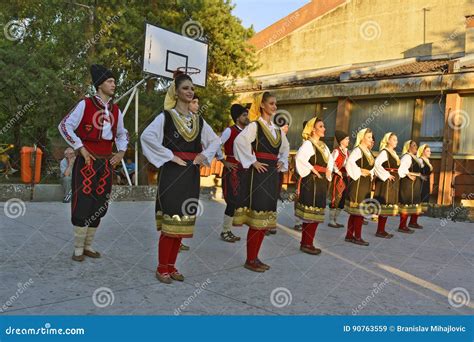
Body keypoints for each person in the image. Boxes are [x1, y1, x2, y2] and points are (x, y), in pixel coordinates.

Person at [140, 72, 220, 284]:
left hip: (191, 174)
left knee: (182, 222)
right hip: (172, 173)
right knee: (171, 221)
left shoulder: (199, 121)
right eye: (185, 88)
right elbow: (146, 137)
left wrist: (204, 155)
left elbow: (215, 141)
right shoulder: (165, 117)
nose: (190, 91)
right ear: (176, 92)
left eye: (192, 88)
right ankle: (161, 267)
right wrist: (169, 155)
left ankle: (172, 266)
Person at [58, 64, 129, 261]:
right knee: (83, 203)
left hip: (106, 164)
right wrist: (80, 147)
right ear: (99, 85)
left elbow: (123, 134)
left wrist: (121, 152)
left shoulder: (116, 110)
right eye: (110, 81)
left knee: (100, 204)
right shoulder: (85, 104)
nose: (114, 84)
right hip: (86, 162)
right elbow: (64, 126)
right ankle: (78, 249)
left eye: (114, 81)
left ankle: (88, 246)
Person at [233, 91, 290, 272]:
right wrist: (252, 161)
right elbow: (239, 142)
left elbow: (285, 149)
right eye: (271, 103)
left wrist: (282, 160)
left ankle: (255, 257)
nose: (274, 107)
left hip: (272, 175)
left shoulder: (278, 130)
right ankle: (250, 259)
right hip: (258, 176)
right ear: (262, 105)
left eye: (275, 103)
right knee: (257, 218)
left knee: (264, 220)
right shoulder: (255, 126)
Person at [294, 117, 333, 255]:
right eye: (321, 126)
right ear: (313, 129)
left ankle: (308, 243)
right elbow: (299, 158)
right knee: (310, 214)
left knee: (316, 214)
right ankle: (306, 243)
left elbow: (330, 160)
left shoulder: (323, 145)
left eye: (323, 126)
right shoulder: (308, 144)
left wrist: (328, 170)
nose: (324, 129)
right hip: (311, 181)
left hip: (321, 181)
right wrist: (313, 169)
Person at [217, 104, 250, 242]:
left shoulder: (248, 132)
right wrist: (223, 161)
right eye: (244, 115)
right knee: (231, 200)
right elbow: (216, 144)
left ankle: (229, 230)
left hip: (244, 169)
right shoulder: (229, 131)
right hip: (232, 169)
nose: (247, 117)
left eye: (246, 114)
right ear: (237, 118)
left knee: (238, 201)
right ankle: (225, 231)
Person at [344, 128, 375, 246]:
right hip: (358, 183)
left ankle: (349, 235)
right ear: (362, 138)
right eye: (368, 137)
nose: (371, 139)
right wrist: (360, 171)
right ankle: (357, 236)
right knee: (359, 211)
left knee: (355, 212)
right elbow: (349, 163)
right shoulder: (358, 150)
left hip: (365, 182)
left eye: (371, 137)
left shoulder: (367, 151)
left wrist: (369, 173)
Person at [373, 132, 400, 238]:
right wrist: (386, 175)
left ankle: (382, 229)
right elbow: (377, 165)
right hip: (385, 182)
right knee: (384, 204)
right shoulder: (385, 152)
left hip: (392, 180)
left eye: (396, 140)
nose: (396, 142)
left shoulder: (393, 153)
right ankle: (379, 230)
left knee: (387, 205)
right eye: (394, 139)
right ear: (388, 140)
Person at [398, 140, 423, 233]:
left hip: (414, 183)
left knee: (412, 203)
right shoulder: (407, 157)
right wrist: (408, 174)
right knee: (406, 203)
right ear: (408, 147)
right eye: (413, 145)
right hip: (407, 183)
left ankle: (410, 223)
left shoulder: (414, 157)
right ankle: (402, 226)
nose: (416, 147)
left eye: (416, 145)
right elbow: (401, 169)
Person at [328, 130, 349, 228]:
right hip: (338, 177)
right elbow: (331, 162)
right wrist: (337, 171)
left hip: (345, 177)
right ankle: (331, 220)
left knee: (342, 199)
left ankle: (335, 220)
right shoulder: (336, 151)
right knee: (336, 197)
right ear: (341, 141)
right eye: (346, 139)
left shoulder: (347, 152)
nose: (348, 140)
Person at [418, 144, 433, 214]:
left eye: (430, 151)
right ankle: (416, 213)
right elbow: (416, 170)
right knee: (420, 195)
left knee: (425, 195)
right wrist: (421, 176)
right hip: (420, 181)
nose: (430, 153)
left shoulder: (428, 161)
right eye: (428, 151)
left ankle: (420, 212)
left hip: (426, 181)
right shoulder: (420, 160)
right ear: (422, 152)